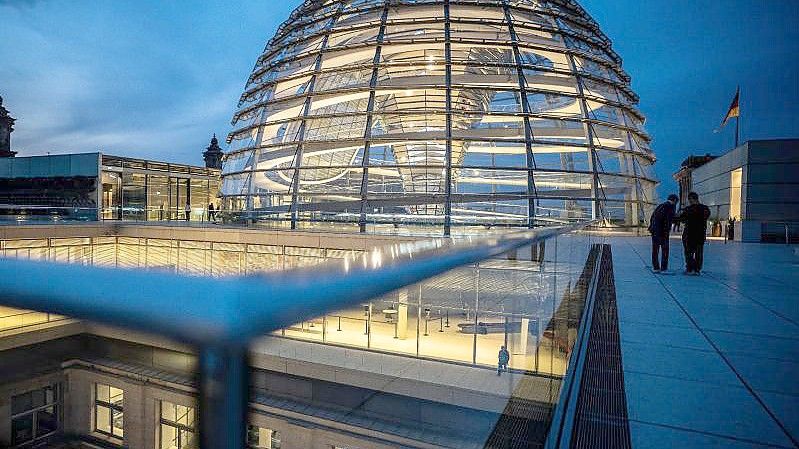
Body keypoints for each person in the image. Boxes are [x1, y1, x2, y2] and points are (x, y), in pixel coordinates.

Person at [674, 192, 711, 275]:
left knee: (688, 252)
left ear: (691, 199)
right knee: (699, 252)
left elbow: (681, 219)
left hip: (689, 234)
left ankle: (690, 269)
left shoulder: (688, 209)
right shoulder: (705, 209)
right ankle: (697, 269)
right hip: (700, 234)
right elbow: (707, 217)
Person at [648, 194, 678, 273]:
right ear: (674, 200)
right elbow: (668, 220)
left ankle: (656, 268)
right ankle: (664, 268)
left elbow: (652, 217)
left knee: (655, 249)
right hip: (662, 232)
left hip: (654, 231)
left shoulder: (660, 206)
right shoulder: (670, 207)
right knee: (665, 249)